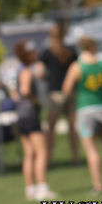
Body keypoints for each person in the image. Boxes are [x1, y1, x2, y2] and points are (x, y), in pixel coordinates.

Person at [62, 35, 102, 194]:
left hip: (85, 107)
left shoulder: (77, 66)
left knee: (91, 150)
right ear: (93, 47)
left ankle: (98, 185)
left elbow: (66, 89)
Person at [12, 40, 56, 200]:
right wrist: (36, 100)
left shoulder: (19, 70)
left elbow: (15, 93)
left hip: (21, 114)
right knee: (41, 152)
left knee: (29, 153)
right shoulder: (26, 71)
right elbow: (24, 90)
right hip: (30, 114)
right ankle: (42, 187)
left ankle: (30, 189)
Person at [40, 21, 80, 166]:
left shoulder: (47, 52)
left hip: (55, 93)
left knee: (51, 129)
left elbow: (39, 73)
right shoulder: (71, 51)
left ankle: (48, 159)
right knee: (72, 128)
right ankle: (76, 158)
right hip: (71, 92)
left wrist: (48, 79)